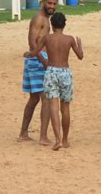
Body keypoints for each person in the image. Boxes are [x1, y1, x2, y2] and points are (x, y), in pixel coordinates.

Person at [24, 12, 84, 150]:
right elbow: (80, 56)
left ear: (52, 25)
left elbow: (34, 51)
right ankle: (65, 139)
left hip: (51, 72)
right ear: (64, 24)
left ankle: (57, 139)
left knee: (53, 106)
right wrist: (79, 45)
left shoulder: (46, 38)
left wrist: (28, 54)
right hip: (65, 72)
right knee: (65, 107)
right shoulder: (69, 39)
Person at [18, 0, 59, 145]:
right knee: (46, 98)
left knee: (34, 99)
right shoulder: (39, 18)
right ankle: (43, 137)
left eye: (54, 4)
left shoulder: (47, 19)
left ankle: (23, 133)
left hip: (37, 60)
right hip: (37, 61)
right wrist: (42, 60)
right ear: (43, 1)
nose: (52, 6)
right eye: (49, 3)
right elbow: (32, 41)